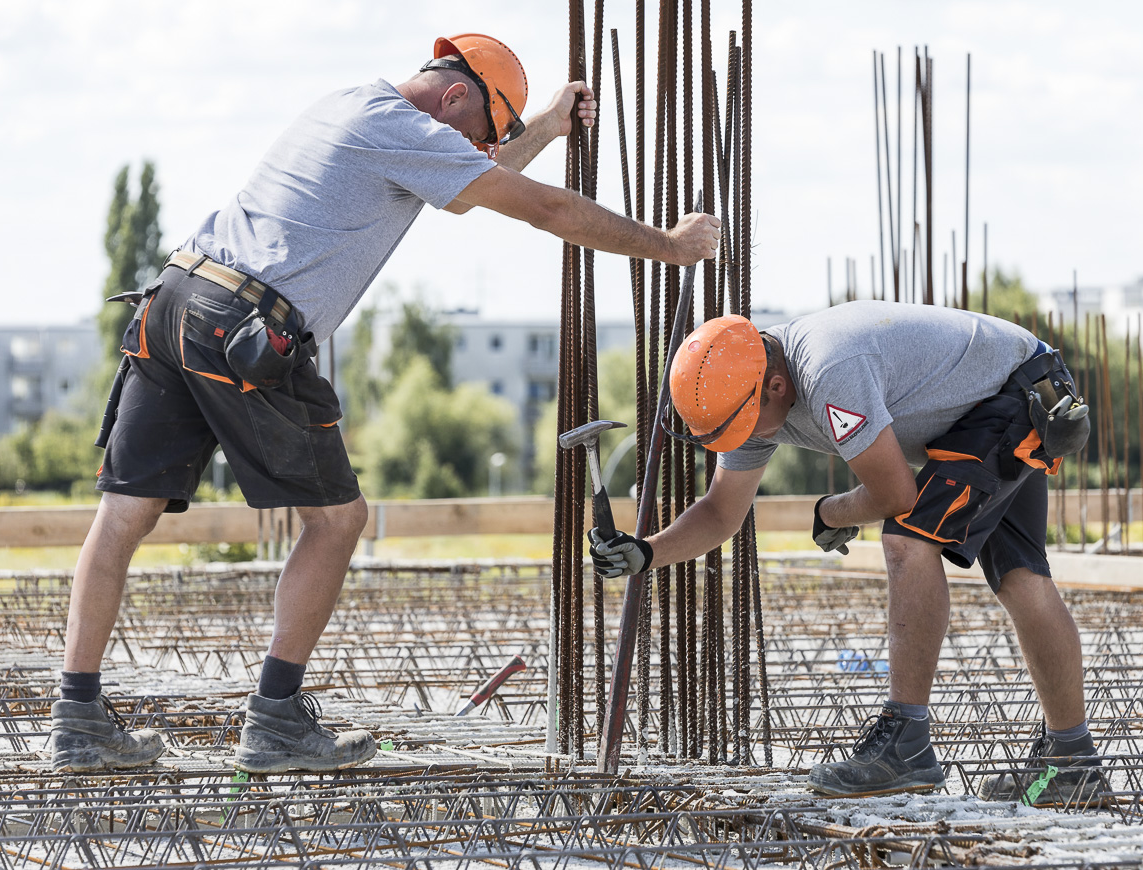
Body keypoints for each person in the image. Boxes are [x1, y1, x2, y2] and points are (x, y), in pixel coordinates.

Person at [51, 32, 721, 775]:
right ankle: (275, 721)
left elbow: (479, 180)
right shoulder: (402, 130)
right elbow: (543, 209)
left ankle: (77, 719)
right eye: (480, 131)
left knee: (122, 514)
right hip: (244, 326)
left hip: (176, 300)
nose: (479, 149)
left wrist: (549, 126)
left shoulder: (353, 106)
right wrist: (669, 244)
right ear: (456, 96)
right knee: (338, 522)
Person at [588, 301, 1107, 807]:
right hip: (1011, 390)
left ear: (775, 387)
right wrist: (646, 551)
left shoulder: (830, 368)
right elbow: (722, 513)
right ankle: (1072, 762)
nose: (738, 441)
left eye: (741, 426)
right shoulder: (748, 387)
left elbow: (896, 496)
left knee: (907, 537)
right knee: (1020, 576)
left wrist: (830, 512)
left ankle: (907, 744)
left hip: (1015, 394)